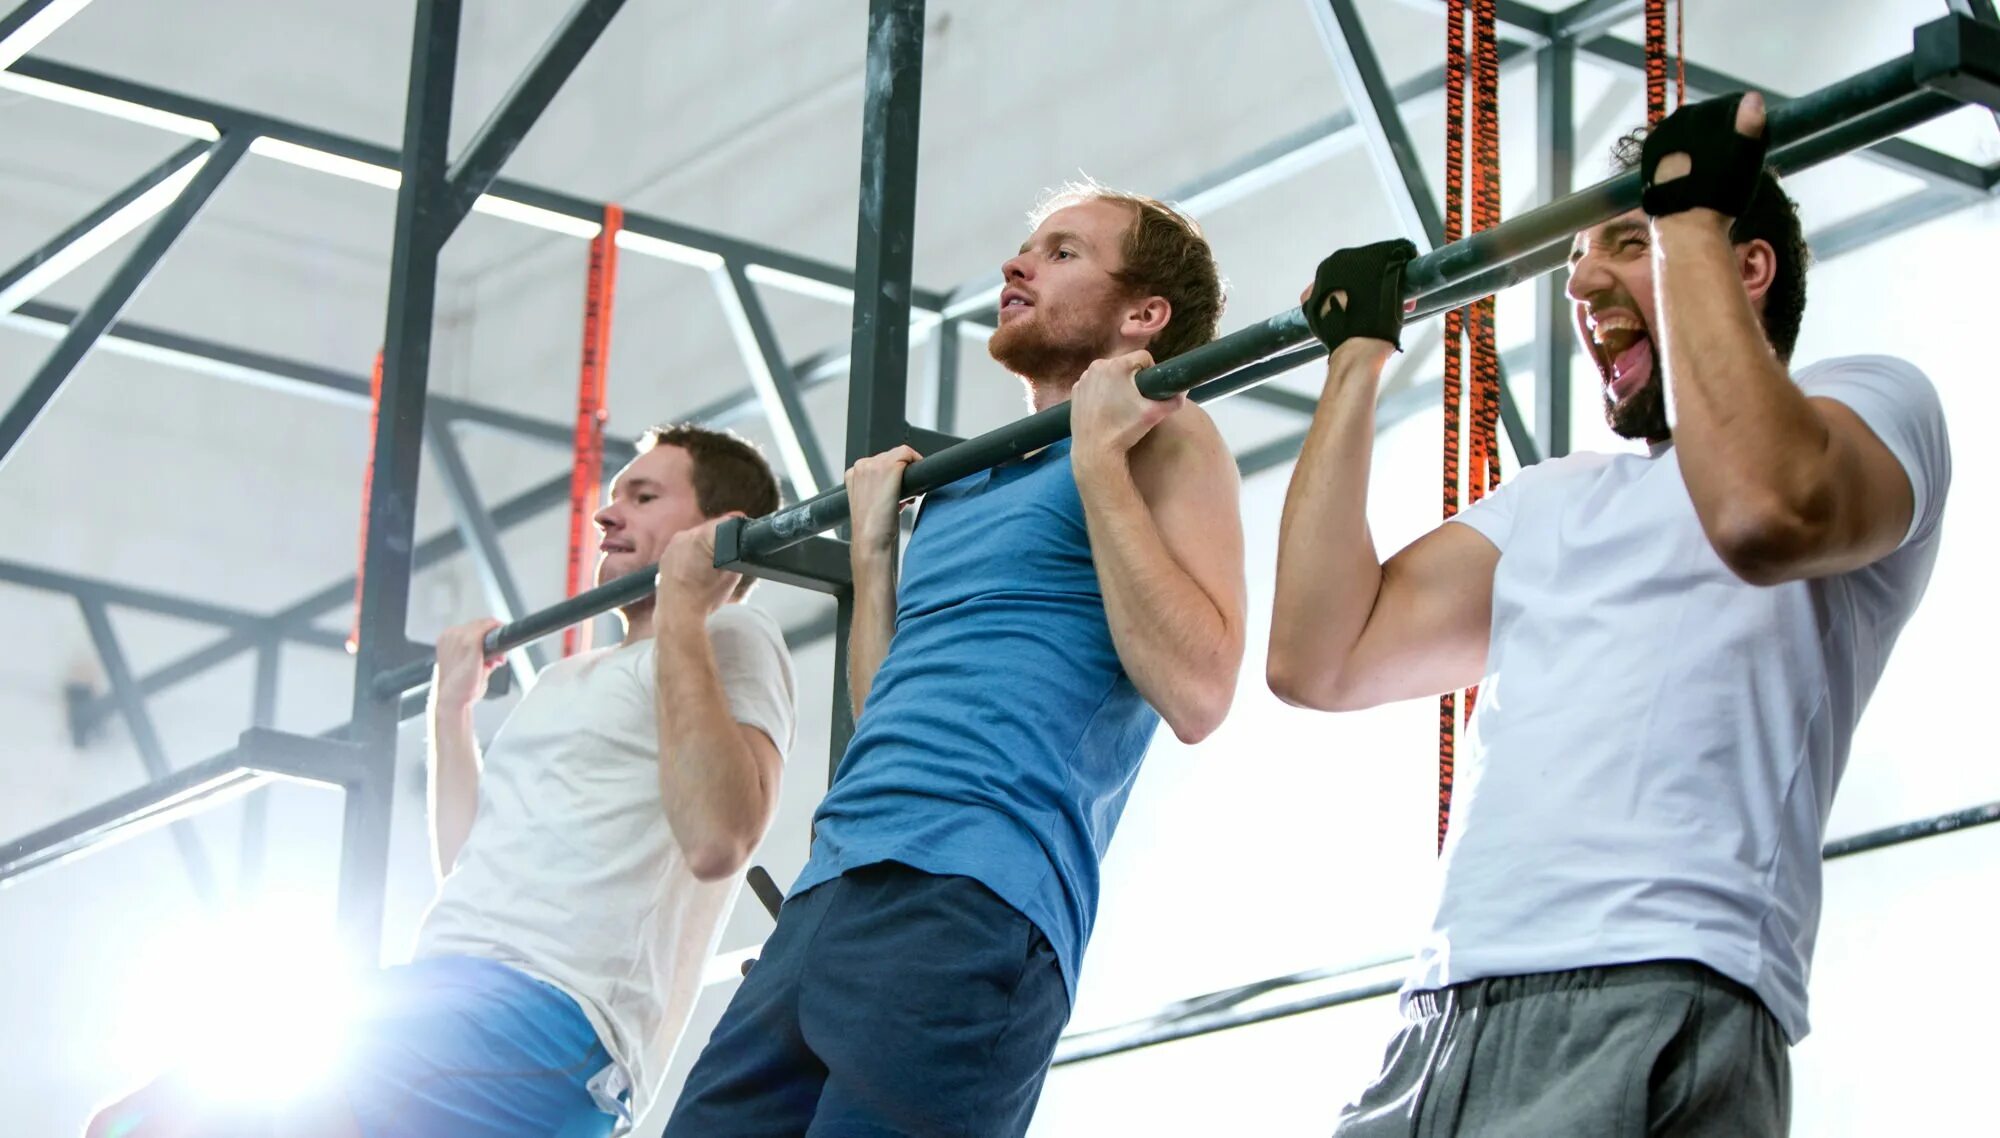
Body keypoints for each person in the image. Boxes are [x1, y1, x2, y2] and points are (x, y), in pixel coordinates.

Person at [1269, 94, 1951, 1135]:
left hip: (1653, 989)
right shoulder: (1553, 500)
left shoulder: (1866, 403)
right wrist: (1353, 364)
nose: (1581, 282)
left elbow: (1767, 514)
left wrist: (1689, 222)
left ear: (1745, 265)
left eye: (1623, 243)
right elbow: (1317, 656)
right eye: (1581, 260)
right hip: (1439, 1018)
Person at [664, 184, 1248, 1136]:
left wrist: (1099, 461)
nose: (1017, 266)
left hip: (976, 897)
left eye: (1062, 253)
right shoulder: (964, 483)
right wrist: (872, 554)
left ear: (1143, 314)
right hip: (830, 887)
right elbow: (883, 709)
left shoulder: (1166, 432)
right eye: (1025, 247)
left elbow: (1199, 690)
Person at [87, 423, 798, 1138]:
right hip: (446, 991)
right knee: (120, 1123)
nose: (607, 515)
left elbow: (719, 837)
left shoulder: (733, 637)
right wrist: (450, 713)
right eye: (614, 497)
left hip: (556, 1018)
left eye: (644, 497)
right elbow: (472, 870)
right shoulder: (563, 676)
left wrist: (685, 599)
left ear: (720, 527)